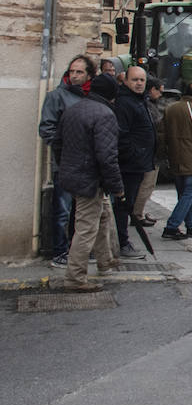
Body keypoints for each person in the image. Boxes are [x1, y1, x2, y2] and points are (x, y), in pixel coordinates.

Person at [57, 73, 125, 292]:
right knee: (86, 227)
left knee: (103, 215)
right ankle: (75, 277)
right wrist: (118, 188)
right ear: (111, 94)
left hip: (73, 174)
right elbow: (107, 156)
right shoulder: (105, 114)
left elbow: (58, 143)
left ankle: (106, 261)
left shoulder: (74, 109)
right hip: (90, 178)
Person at [38, 54, 96, 266]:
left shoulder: (91, 97)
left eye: (79, 72)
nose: (74, 75)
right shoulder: (57, 96)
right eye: (72, 71)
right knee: (63, 210)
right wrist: (63, 150)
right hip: (64, 164)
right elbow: (47, 128)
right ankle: (60, 252)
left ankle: (78, 250)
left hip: (87, 164)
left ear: (89, 74)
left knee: (81, 212)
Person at [159, 79, 192, 240]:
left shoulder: (170, 109)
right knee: (187, 194)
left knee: (183, 193)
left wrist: (163, 155)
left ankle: (191, 225)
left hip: (175, 158)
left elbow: (162, 135)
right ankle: (172, 226)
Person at [111, 65, 154, 259]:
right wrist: (134, 154)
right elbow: (122, 135)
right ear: (126, 81)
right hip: (129, 165)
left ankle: (121, 240)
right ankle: (122, 242)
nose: (139, 83)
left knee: (126, 204)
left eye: (142, 80)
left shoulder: (138, 100)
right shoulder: (125, 103)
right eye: (135, 80)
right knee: (123, 205)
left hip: (137, 163)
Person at [129, 76, 165, 229]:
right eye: (159, 91)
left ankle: (138, 213)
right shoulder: (148, 106)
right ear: (152, 90)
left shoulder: (144, 104)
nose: (161, 94)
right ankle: (137, 215)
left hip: (148, 152)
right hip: (149, 153)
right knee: (146, 185)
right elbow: (157, 127)